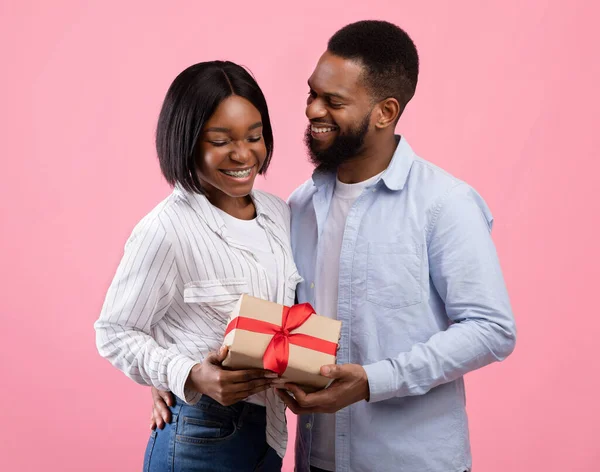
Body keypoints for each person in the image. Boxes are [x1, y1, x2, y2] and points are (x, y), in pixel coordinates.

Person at [151, 20, 517, 472]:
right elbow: (257, 312)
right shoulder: (297, 207)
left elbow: (491, 329)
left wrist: (369, 382)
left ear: (385, 112)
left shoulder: (444, 204)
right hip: (315, 459)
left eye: (334, 102)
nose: (312, 110)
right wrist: (178, 374)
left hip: (412, 462)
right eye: (312, 93)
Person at [95, 60, 299, 471]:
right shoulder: (165, 229)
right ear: (186, 142)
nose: (243, 154)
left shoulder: (281, 214)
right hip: (200, 434)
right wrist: (187, 374)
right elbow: (114, 332)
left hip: (270, 435)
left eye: (255, 136)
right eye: (221, 140)